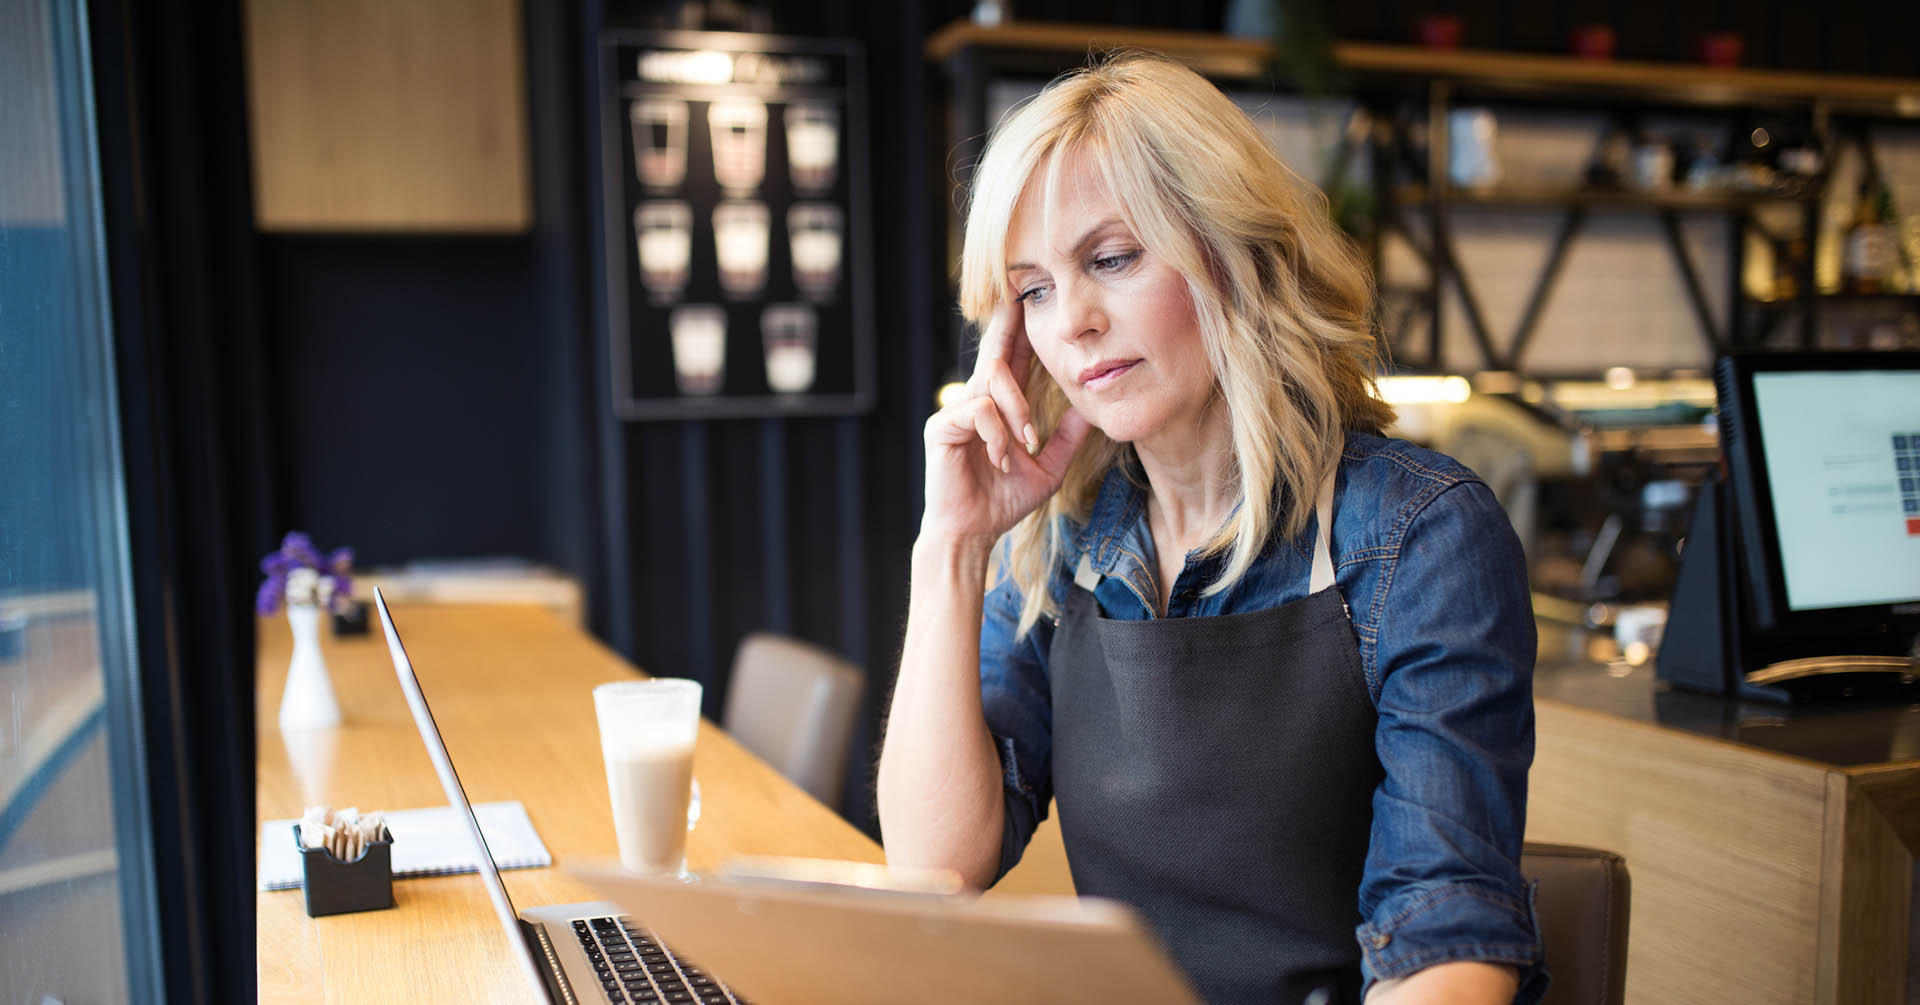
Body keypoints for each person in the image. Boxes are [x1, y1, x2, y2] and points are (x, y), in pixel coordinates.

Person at [877, 53, 1544, 1005]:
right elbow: (935, 862)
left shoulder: (1419, 535)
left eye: (1111, 259)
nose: (1074, 321)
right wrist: (950, 545)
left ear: (1234, 254)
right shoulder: (1067, 540)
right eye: (1033, 290)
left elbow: (1446, 946)